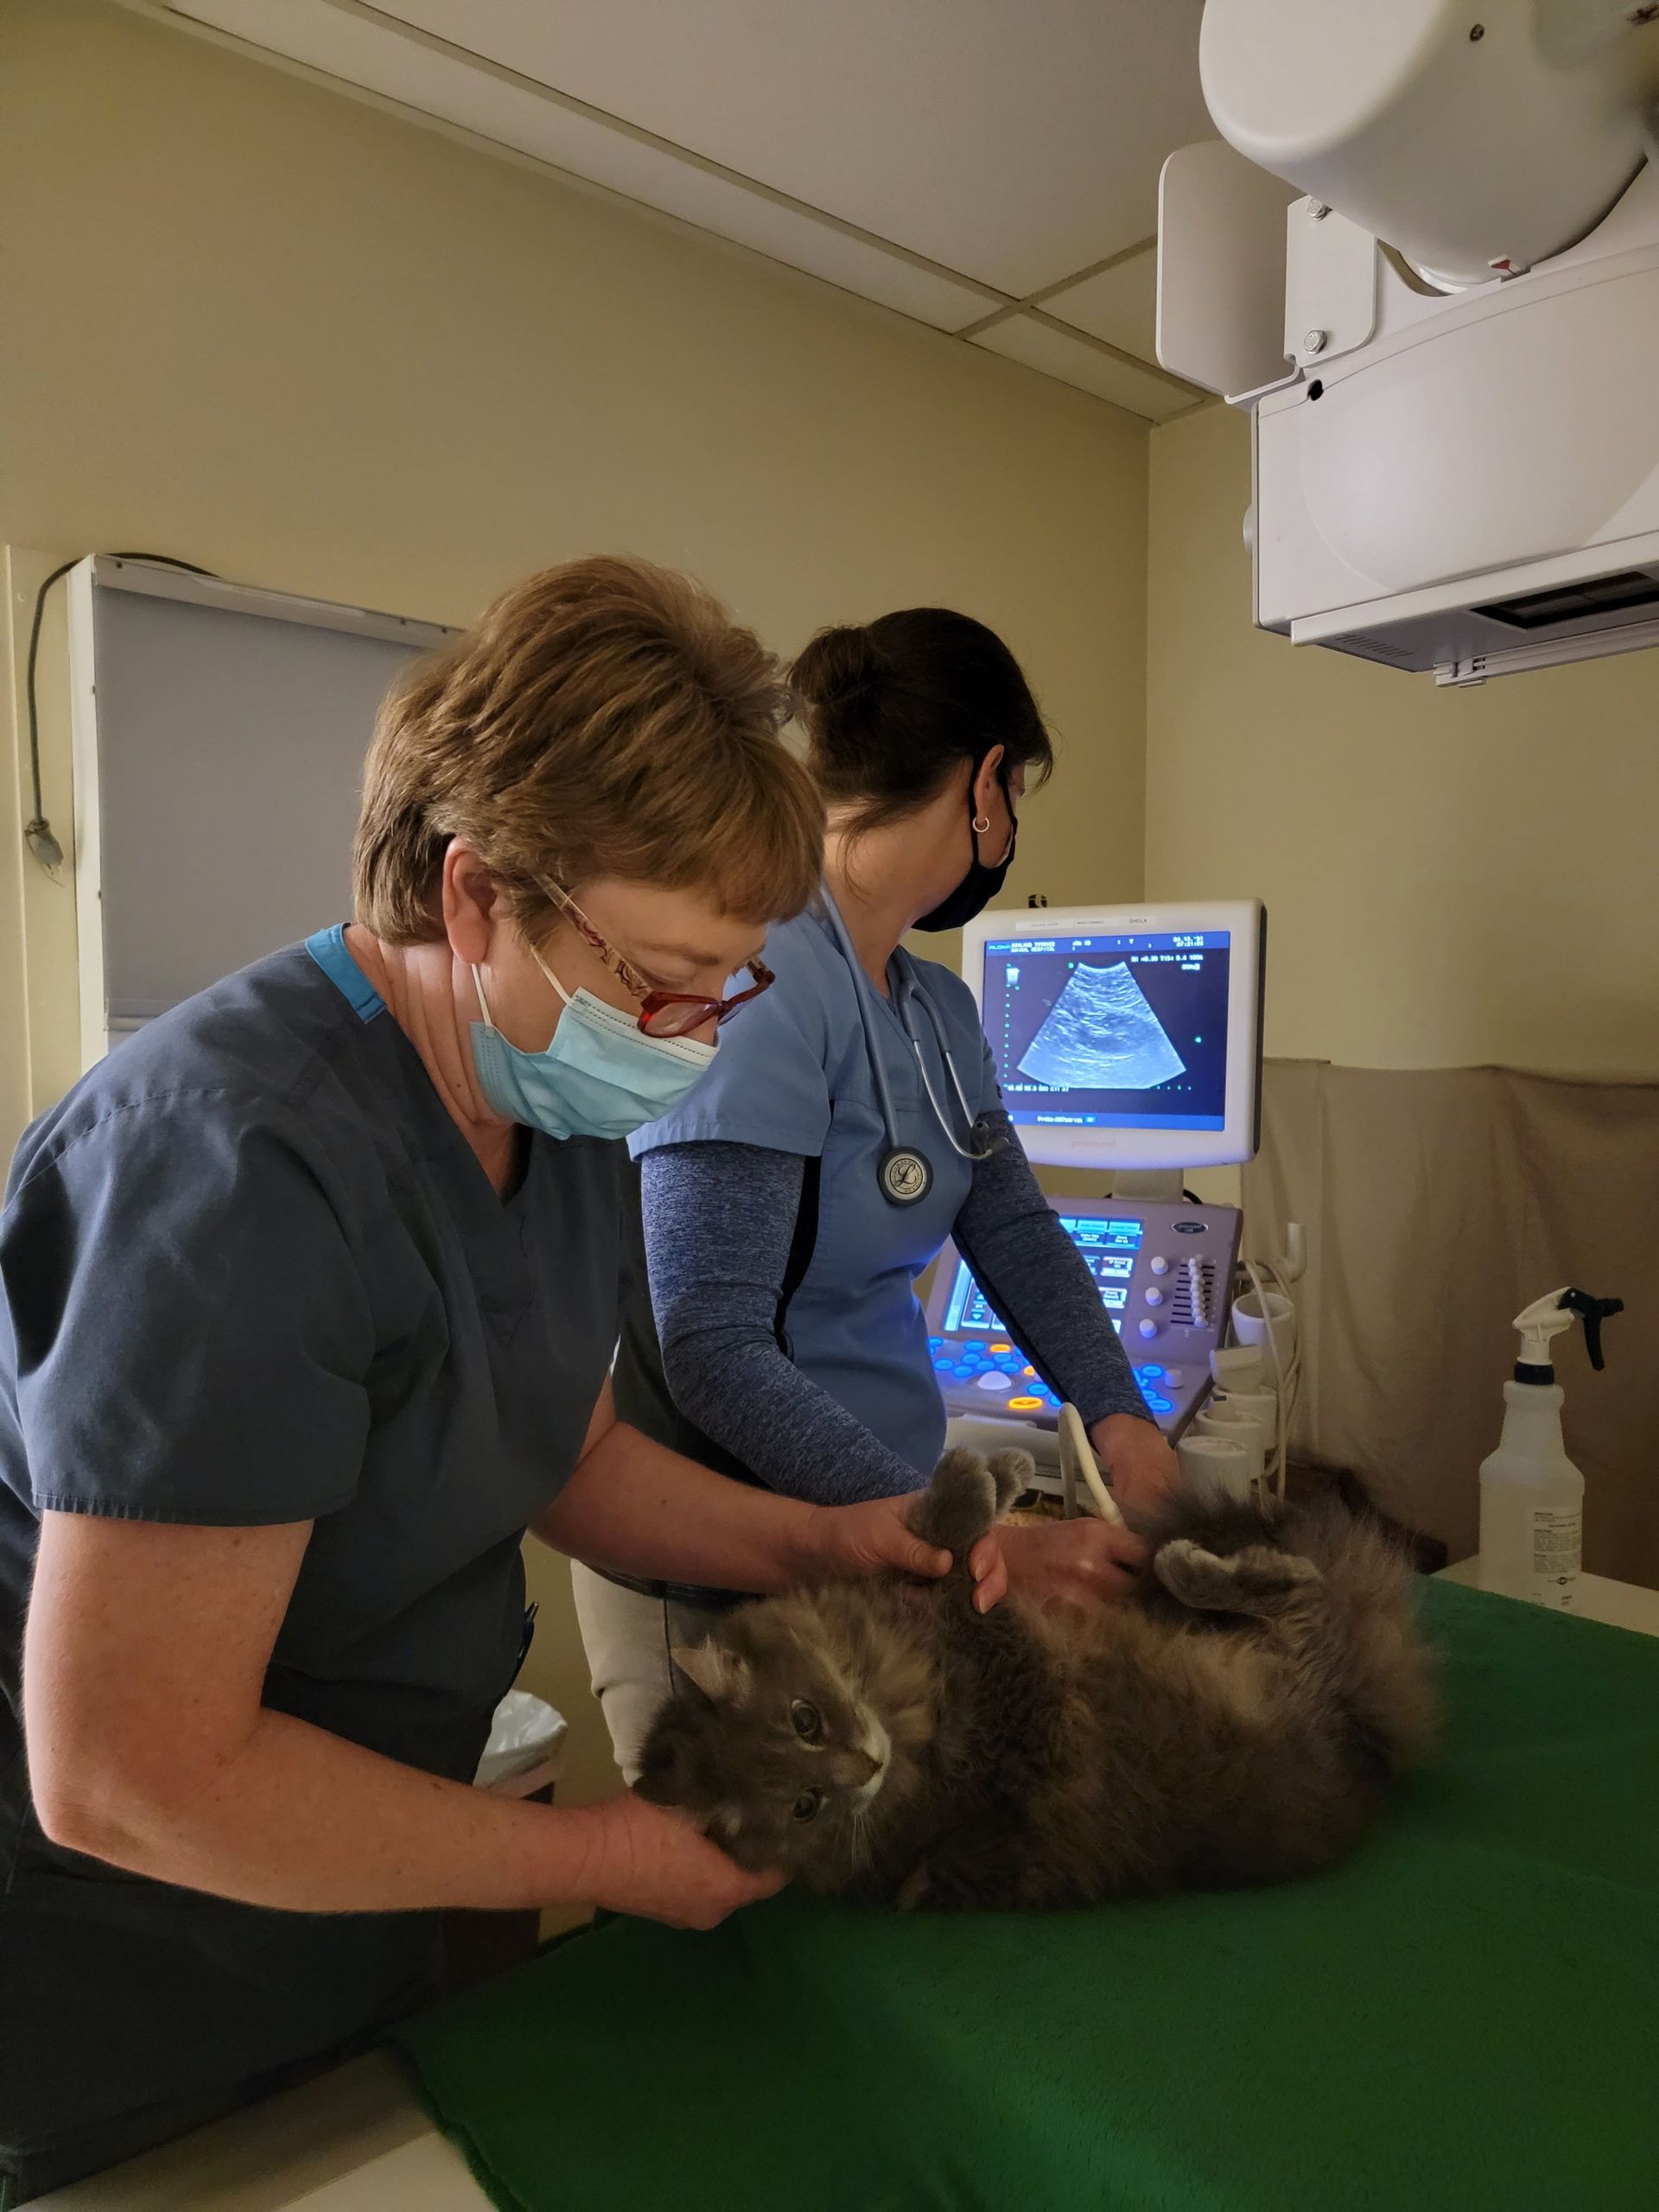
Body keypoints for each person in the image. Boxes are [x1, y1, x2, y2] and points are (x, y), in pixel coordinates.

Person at [0, 560, 987, 2204]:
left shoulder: (556, 1107)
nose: (692, 1037)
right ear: (475, 899)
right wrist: (594, 1855)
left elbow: (558, 1446)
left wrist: (831, 1540)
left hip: (340, 1898)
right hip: (113, 1960)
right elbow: (127, 1772)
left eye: (725, 988)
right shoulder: (232, 1166)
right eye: (661, 982)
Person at [577, 607, 1179, 1779]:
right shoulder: (753, 977)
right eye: (1013, 798)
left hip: (887, 1529)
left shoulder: (934, 1010)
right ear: (988, 786)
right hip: (724, 1558)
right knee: (751, 1921)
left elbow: (1012, 1229)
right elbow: (708, 1343)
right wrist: (965, 1545)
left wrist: (1120, 1418)